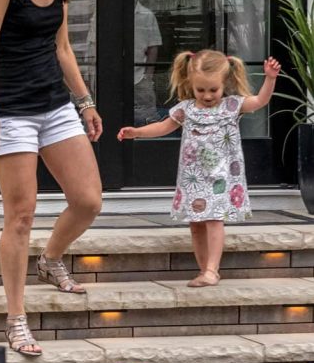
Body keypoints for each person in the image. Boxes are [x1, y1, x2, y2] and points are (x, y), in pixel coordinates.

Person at [0, 0, 102, 357]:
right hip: (11, 111)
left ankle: (50, 260)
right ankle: (16, 319)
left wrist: (85, 101)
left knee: (88, 200)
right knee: (21, 216)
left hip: (54, 105)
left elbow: (63, 49)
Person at [117, 50, 281, 287]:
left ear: (224, 83)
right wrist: (137, 132)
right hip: (193, 177)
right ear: (190, 85)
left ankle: (213, 270)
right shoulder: (186, 109)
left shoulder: (231, 106)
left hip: (221, 176)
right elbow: (163, 127)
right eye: (200, 90)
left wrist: (270, 79)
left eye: (213, 90)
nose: (206, 96)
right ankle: (204, 269)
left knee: (214, 219)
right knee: (196, 224)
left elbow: (260, 101)